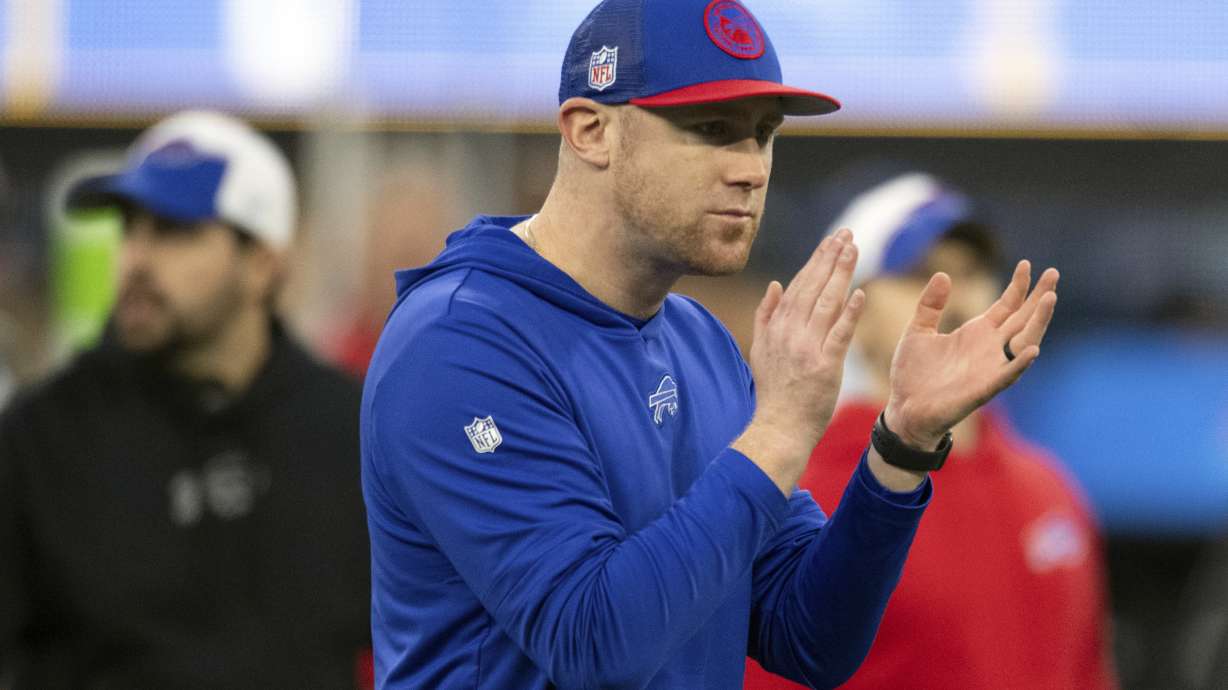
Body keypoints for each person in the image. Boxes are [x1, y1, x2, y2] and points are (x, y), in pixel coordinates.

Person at [361, 1, 1058, 688]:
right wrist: (780, 428)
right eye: (713, 129)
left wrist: (900, 448)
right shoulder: (459, 342)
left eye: (763, 134)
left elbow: (809, 637)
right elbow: (593, 643)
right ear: (590, 130)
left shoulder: (696, 341)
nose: (752, 169)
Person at [0, 111, 371, 689]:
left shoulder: (352, 432)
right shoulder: (41, 436)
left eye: (175, 230)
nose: (136, 260)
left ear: (263, 265)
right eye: (130, 228)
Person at [744, 172, 1116, 689]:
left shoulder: (1050, 491)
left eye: (972, 272)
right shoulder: (795, 489)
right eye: (924, 276)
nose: (958, 299)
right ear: (853, 309)